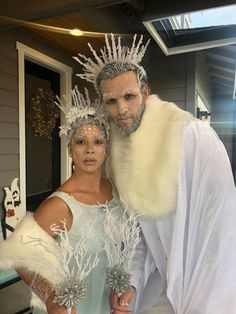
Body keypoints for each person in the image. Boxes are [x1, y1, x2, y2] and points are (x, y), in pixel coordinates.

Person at [75, 34, 236, 314]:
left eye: (129, 96)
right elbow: (140, 233)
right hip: (161, 290)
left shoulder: (192, 137)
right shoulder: (119, 157)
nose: (121, 110)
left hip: (209, 291)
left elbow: (222, 233)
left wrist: (207, 304)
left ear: (145, 91)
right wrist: (132, 282)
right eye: (110, 101)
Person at [0, 87, 126, 314]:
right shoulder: (59, 205)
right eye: (80, 142)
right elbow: (20, 258)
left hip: (108, 302)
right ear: (69, 149)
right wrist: (49, 297)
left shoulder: (114, 189)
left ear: (106, 149)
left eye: (98, 142)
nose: (89, 150)